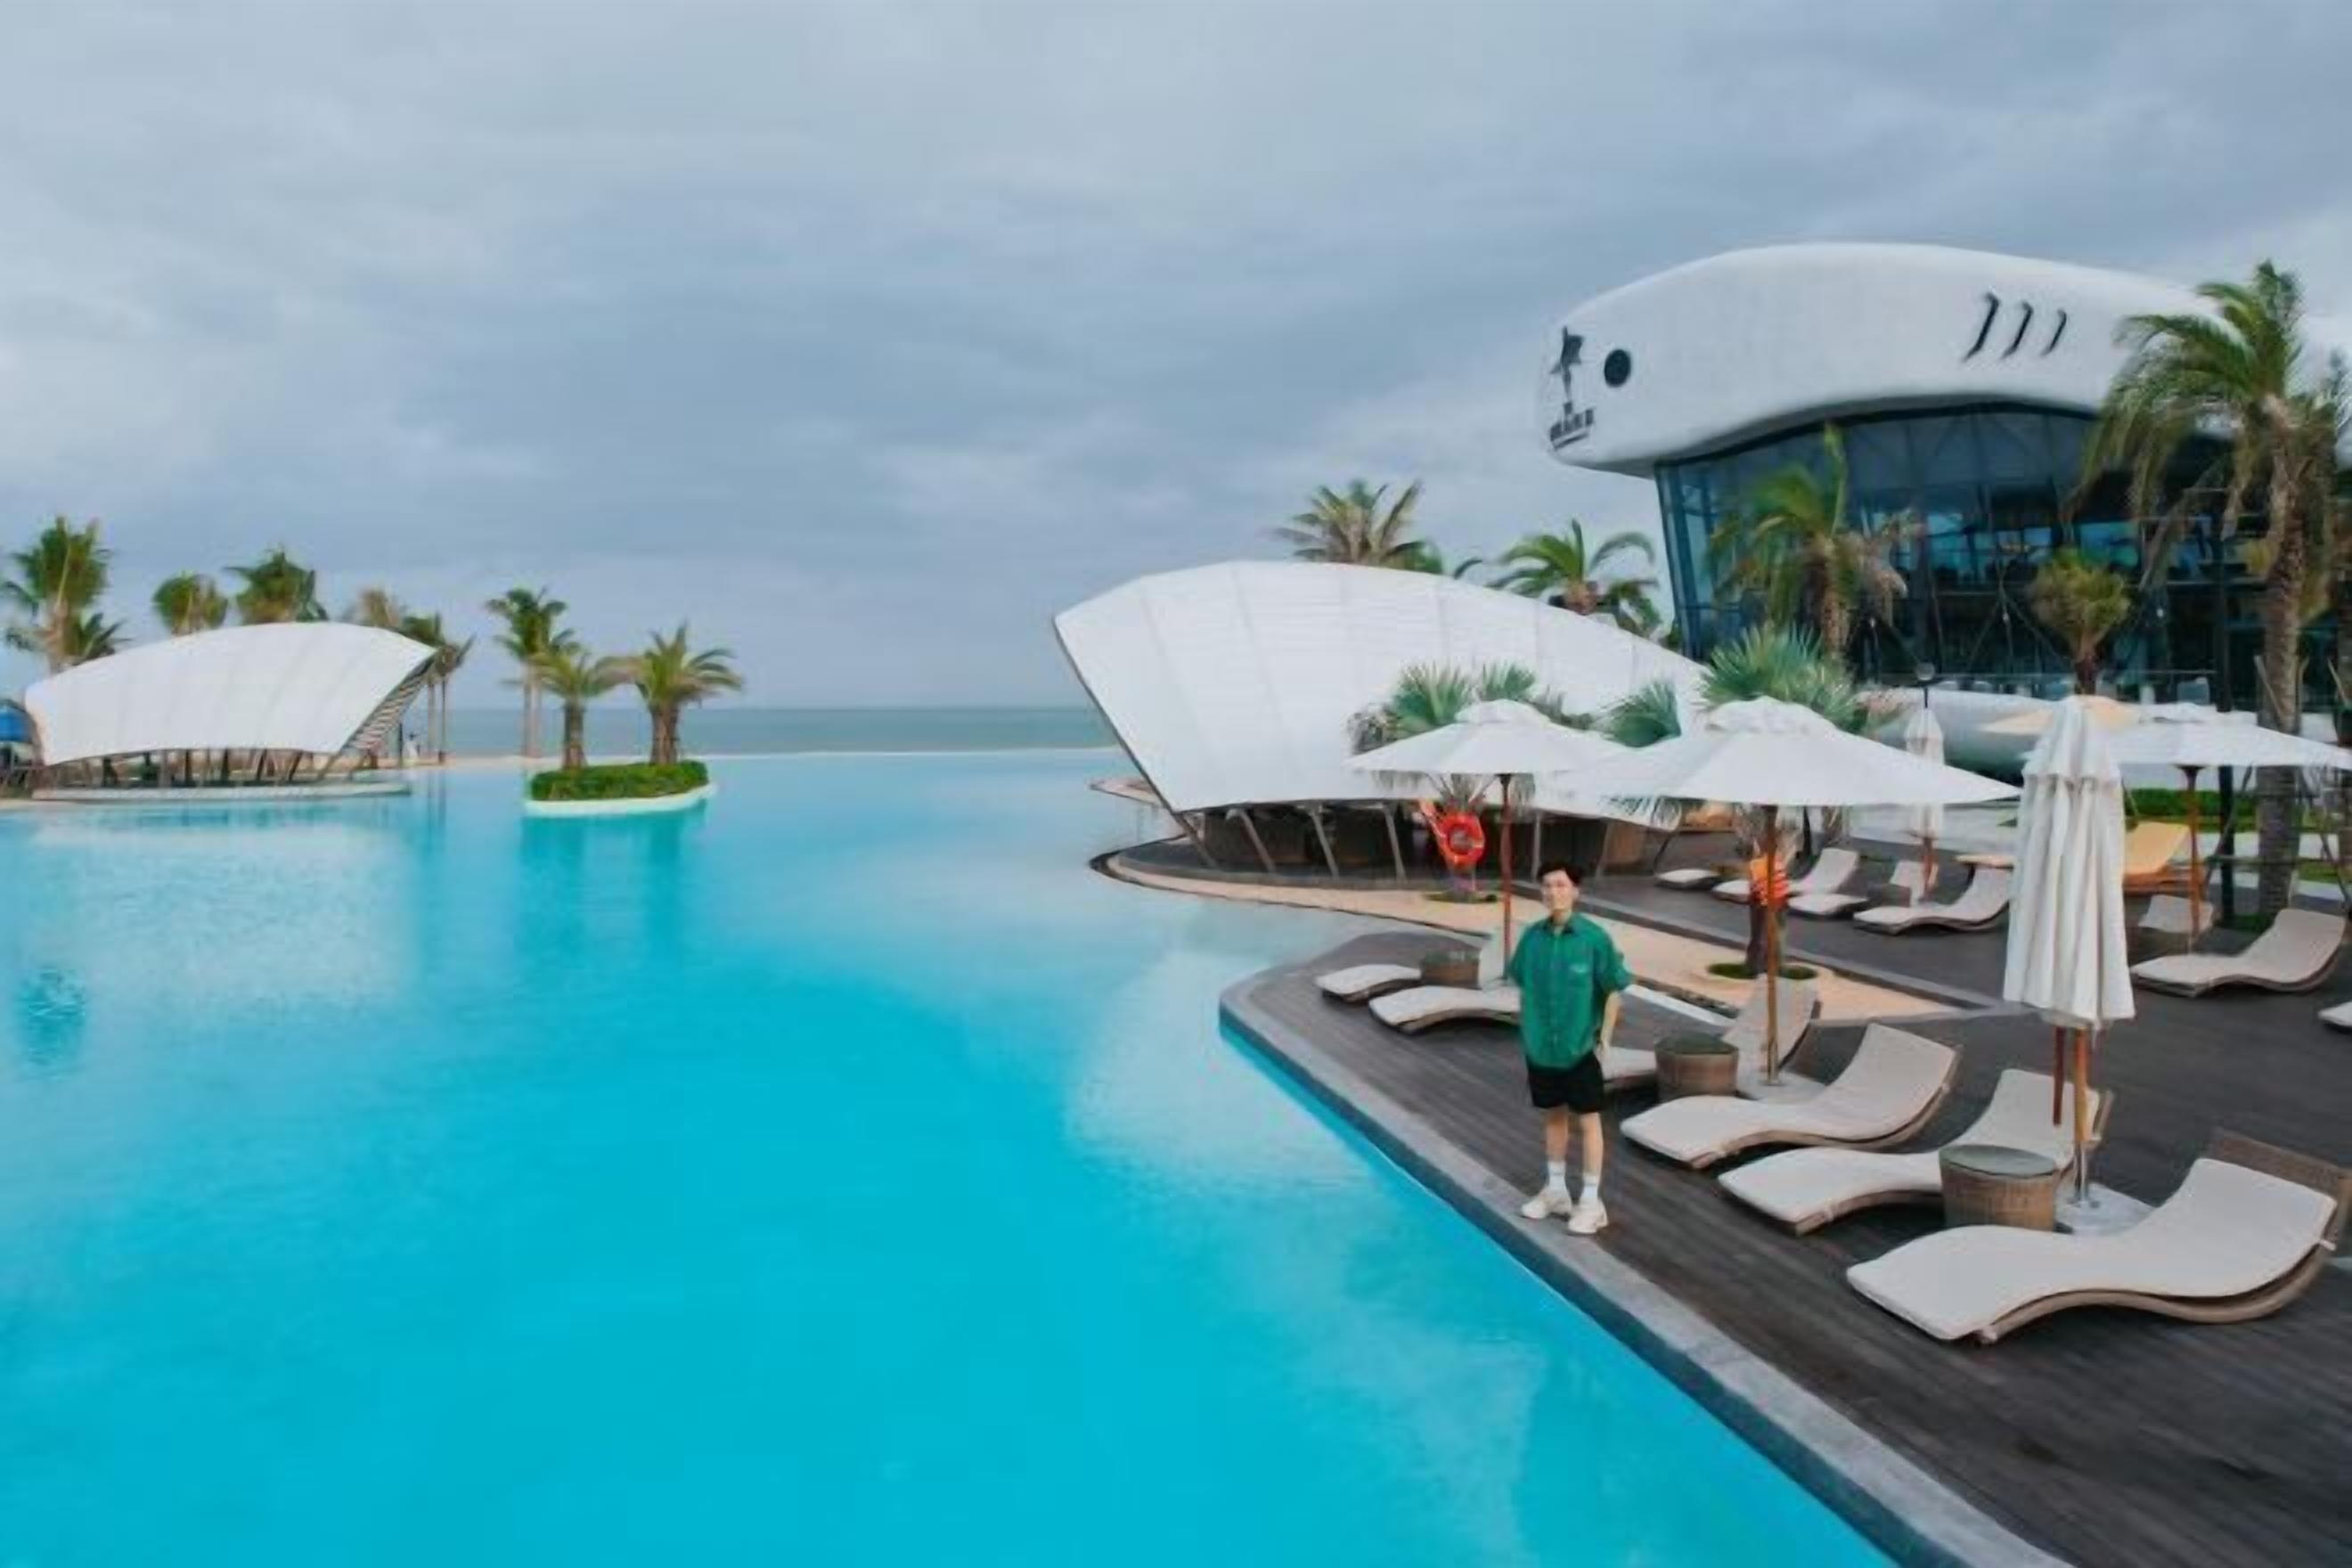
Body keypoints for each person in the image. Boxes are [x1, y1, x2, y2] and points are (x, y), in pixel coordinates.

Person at [1508, 860, 1630, 1234]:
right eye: (1547, 885)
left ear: (1575, 891)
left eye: (1561, 885)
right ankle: (1557, 1190)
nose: (1553, 892)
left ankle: (1591, 1201)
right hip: (1541, 1048)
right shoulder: (1531, 938)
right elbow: (1521, 983)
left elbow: (1613, 990)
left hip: (1581, 1048)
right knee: (1553, 1117)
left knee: (1589, 1122)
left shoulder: (1594, 939)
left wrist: (1605, 1037)